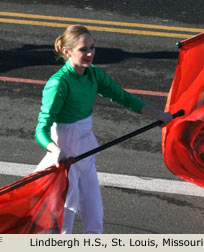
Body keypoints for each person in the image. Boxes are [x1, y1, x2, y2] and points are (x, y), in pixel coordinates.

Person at [33, 25, 173, 234]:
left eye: (92, 47)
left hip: (85, 154)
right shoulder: (59, 84)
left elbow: (123, 97)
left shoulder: (94, 75)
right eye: (83, 49)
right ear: (67, 51)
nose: (89, 53)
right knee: (64, 223)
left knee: (95, 219)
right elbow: (40, 129)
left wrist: (158, 114)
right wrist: (55, 150)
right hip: (66, 158)